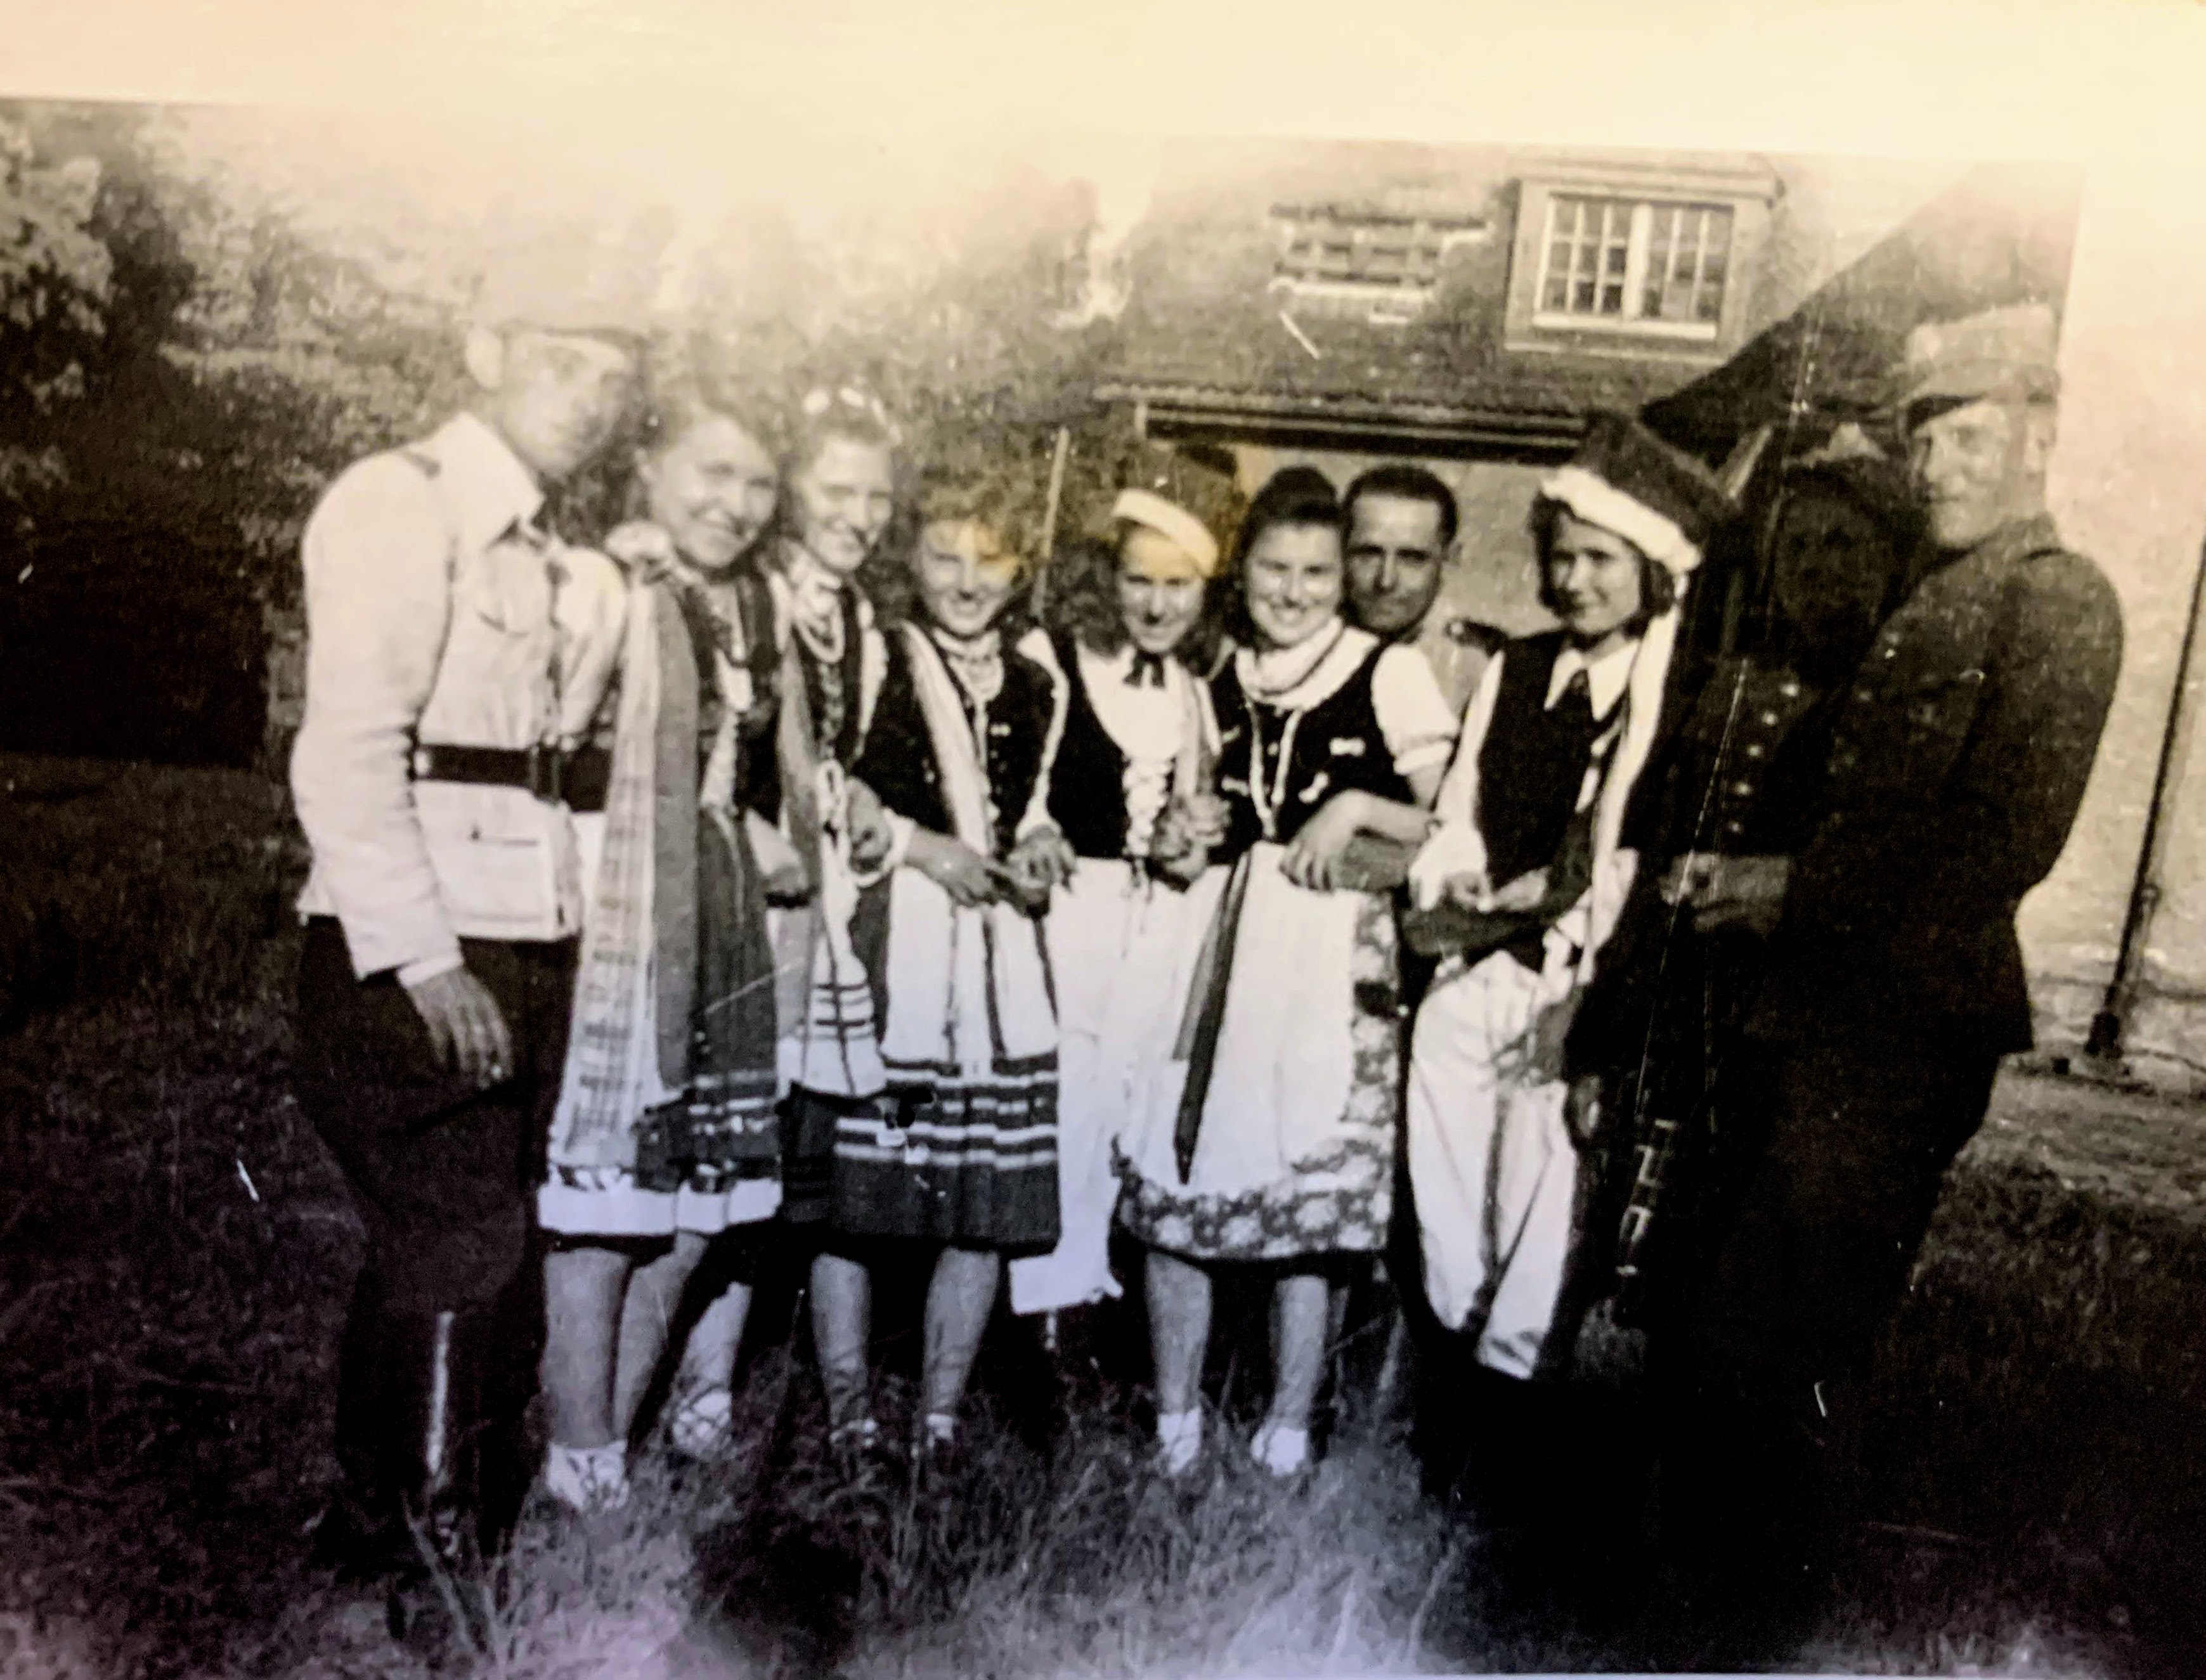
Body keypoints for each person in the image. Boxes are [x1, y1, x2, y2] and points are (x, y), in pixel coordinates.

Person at [1652, 302, 2123, 1659]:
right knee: (1725, 1310)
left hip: (1906, 1029)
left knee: (1793, 1327)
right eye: (1924, 445)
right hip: (1813, 1016)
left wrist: (1777, 891)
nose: (1937, 468)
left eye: (1966, 437)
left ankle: (1765, 1617)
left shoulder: (2056, 597)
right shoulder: (1934, 586)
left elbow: (2002, 840)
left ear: (2034, 436)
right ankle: (1718, 1593)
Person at [290, 254, 645, 1586]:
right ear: (485, 349)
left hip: (523, 930)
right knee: (459, 1228)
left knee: (449, 1228)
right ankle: (440, 1570)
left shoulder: (558, 555)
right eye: (561, 361)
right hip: (418, 934)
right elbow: (347, 755)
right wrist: (424, 960)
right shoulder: (401, 503)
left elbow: (557, 761)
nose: (589, 396)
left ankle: (369, 1526)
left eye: (613, 376)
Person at [1396, 413, 1729, 1544]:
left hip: (1570, 986)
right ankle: (1447, 1404)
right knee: (1451, 1199)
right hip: (1478, 971)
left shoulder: (1669, 693)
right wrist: (1460, 880)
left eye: (1598, 560)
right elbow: (1458, 809)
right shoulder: (1518, 669)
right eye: (1559, 557)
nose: (1572, 580)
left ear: (1649, 572)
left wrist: (1583, 966)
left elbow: (1628, 857)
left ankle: (1508, 1456)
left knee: (1544, 1215)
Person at [1116, 467, 1458, 1477]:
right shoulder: (1218, 676)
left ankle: (1288, 1424)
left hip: (1329, 947)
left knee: (1304, 1195)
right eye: (1274, 569)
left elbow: (1449, 820)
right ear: (1242, 572)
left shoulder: (1387, 670)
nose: (1293, 591)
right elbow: (1188, 827)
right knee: (1177, 1171)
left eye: (1315, 572)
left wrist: (1353, 808)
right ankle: (1174, 1422)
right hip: (1217, 943)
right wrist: (1181, 834)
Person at [533, 358, 796, 1511]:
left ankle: (606, 1448)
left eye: (758, 484)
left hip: (717, 907)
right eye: (711, 472)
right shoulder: (601, 579)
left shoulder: (752, 605)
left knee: (690, 1210)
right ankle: (576, 1456)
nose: (733, 504)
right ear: (647, 466)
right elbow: (553, 734)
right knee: (602, 1201)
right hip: (620, 905)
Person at [812, 444, 1070, 1459]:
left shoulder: (1037, 679)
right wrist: (925, 849)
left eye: (990, 559)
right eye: (943, 556)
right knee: (858, 1201)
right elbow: (835, 788)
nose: (967, 581)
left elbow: (1033, 805)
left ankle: (937, 1415)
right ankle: (846, 1416)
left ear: (1021, 566)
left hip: (996, 963)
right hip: (897, 943)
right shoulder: (878, 654)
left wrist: (1037, 848)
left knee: (979, 1205)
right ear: (909, 560)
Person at [1006, 453, 1240, 1328]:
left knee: (1124, 1097)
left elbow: (1189, 836)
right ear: (1108, 577)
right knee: (1060, 1097)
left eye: (1178, 586)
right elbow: (1017, 793)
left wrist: (1187, 842)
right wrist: (1033, 831)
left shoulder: (1192, 692)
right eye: (1139, 580)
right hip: (1068, 914)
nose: (1156, 605)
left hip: (1153, 925)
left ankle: (1083, 1301)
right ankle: (1032, 1310)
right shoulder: (1054, 659)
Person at [1342, 463, 1500, 716]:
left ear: (1449, 560)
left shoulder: (1480, 669)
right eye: (1368, 554)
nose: (1386, 581)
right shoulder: (1299, 651)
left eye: (1412, 559)